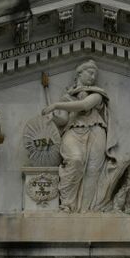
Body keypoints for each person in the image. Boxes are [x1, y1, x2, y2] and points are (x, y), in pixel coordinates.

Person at [42, 59, 117, 212]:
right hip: (73, 131)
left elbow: (84, 105)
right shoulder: (67, 97)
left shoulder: (97, 94)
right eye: (90, 73)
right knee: (75, 160)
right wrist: (54, 117)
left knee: (92, 170)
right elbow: (64, 119)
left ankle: (85, 210)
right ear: (79, 73)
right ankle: (67, 205)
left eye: (95, 74)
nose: (93, 76)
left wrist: (56, 105)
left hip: (96, 131)